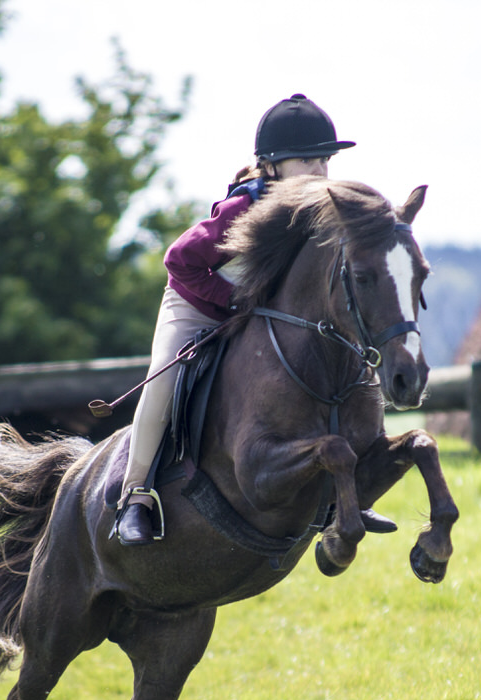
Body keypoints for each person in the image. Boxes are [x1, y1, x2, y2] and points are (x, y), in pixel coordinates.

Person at [115, 93, 394, 545]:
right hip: (195, 305)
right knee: (160, 385)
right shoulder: (242, 210)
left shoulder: (321, 214)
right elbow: (180, 261)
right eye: (306, 160)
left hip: (258, 314)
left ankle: (351, 493)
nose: (319, 171)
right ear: (272, 166)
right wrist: (234, 302)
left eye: (324, 160)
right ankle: (136, 496)